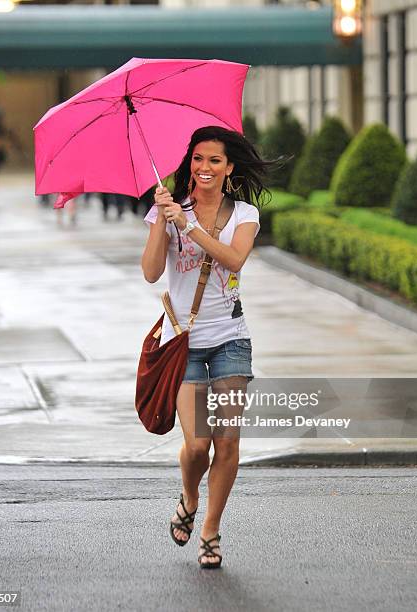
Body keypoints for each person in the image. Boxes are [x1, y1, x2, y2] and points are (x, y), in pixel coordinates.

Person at [141, 125, 276, 569]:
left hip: (231, 341)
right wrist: (163, 219)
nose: (204, 168)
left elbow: (235, 259)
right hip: (185, 344)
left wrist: (191, 226)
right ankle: (189, 494)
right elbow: (151, 272)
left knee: (228, 441)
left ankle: (211, 531)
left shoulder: (245, 215)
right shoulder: (169, 209)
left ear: (229, 167)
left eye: (214, 160)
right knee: (198, 446)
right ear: (189, 164)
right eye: (198, 159)